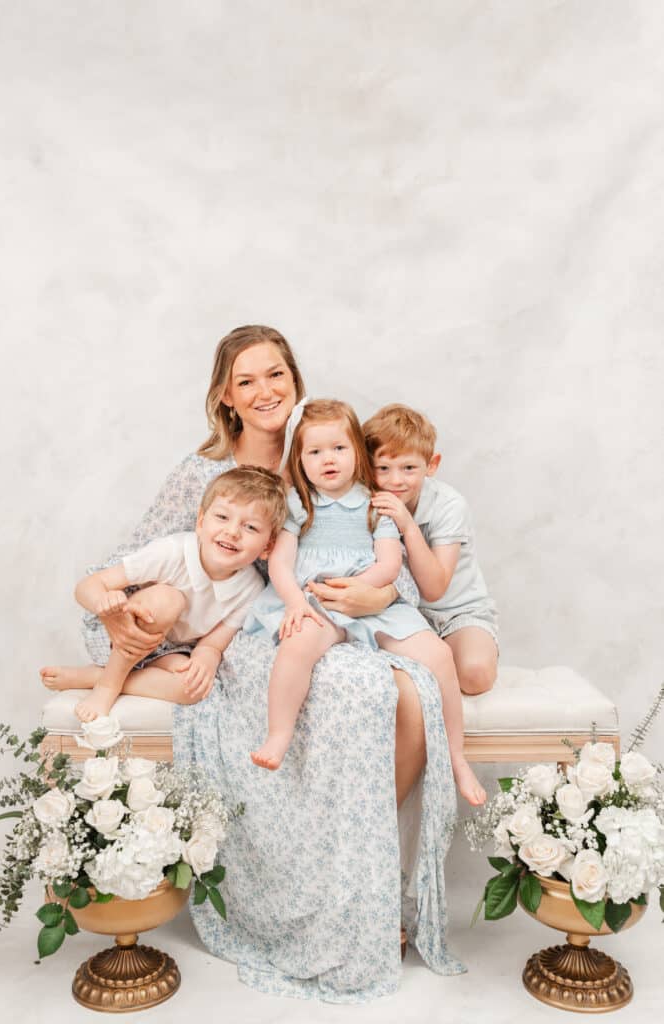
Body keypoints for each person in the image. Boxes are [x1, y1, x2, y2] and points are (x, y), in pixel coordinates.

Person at [77, 325, 464, 1001]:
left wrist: (376, 594)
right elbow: (147, 562)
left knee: (403, 693)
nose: (265, 391)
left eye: (276, 374)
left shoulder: (325, 449)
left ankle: (351, 886)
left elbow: (373, 548)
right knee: (348, 689)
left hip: (325, 617)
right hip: (240, 632)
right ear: (225, 396)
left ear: (295, 378)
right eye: (246, 380)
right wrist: (172, 635)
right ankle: (305, 882)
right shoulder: (202, 473)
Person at [244, 399, 486, 806]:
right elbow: (281, 564)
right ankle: (279, 734)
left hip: (368, 598)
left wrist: (356, 588)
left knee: (440, 656)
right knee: (296, 647)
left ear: (357, 450)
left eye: (338, 448)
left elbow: (390, 563)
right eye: (314, 452)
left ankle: (458, 757)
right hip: (313, 597)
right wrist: (296, 601)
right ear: (299, 460)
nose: (328, 460)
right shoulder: (297, 503)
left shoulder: (376, 502)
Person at [40, 467, 287, 721]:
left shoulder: (251, 588)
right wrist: (104, 602)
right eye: (222, 517)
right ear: (201, 523)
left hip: (169, 652)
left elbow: (213, 642)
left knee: (192, 688)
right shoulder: (173, 551)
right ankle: (107, 686)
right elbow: (87, 585)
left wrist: (206, 659)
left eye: (250, 527)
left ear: (267, 546)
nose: (233, 531)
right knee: (168, 601)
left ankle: (92, 677)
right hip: (122, 633)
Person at [365, 403, 499, 696]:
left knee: (475, 675)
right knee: (389, 682)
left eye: (409, 468)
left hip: (458, 613)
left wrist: (407, 525)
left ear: (432, 465)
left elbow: (435, 588)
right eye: (383, 468)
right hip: (399, 613)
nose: (396, 480)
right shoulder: (366, 502)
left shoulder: (449, 505)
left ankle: (460, 651)